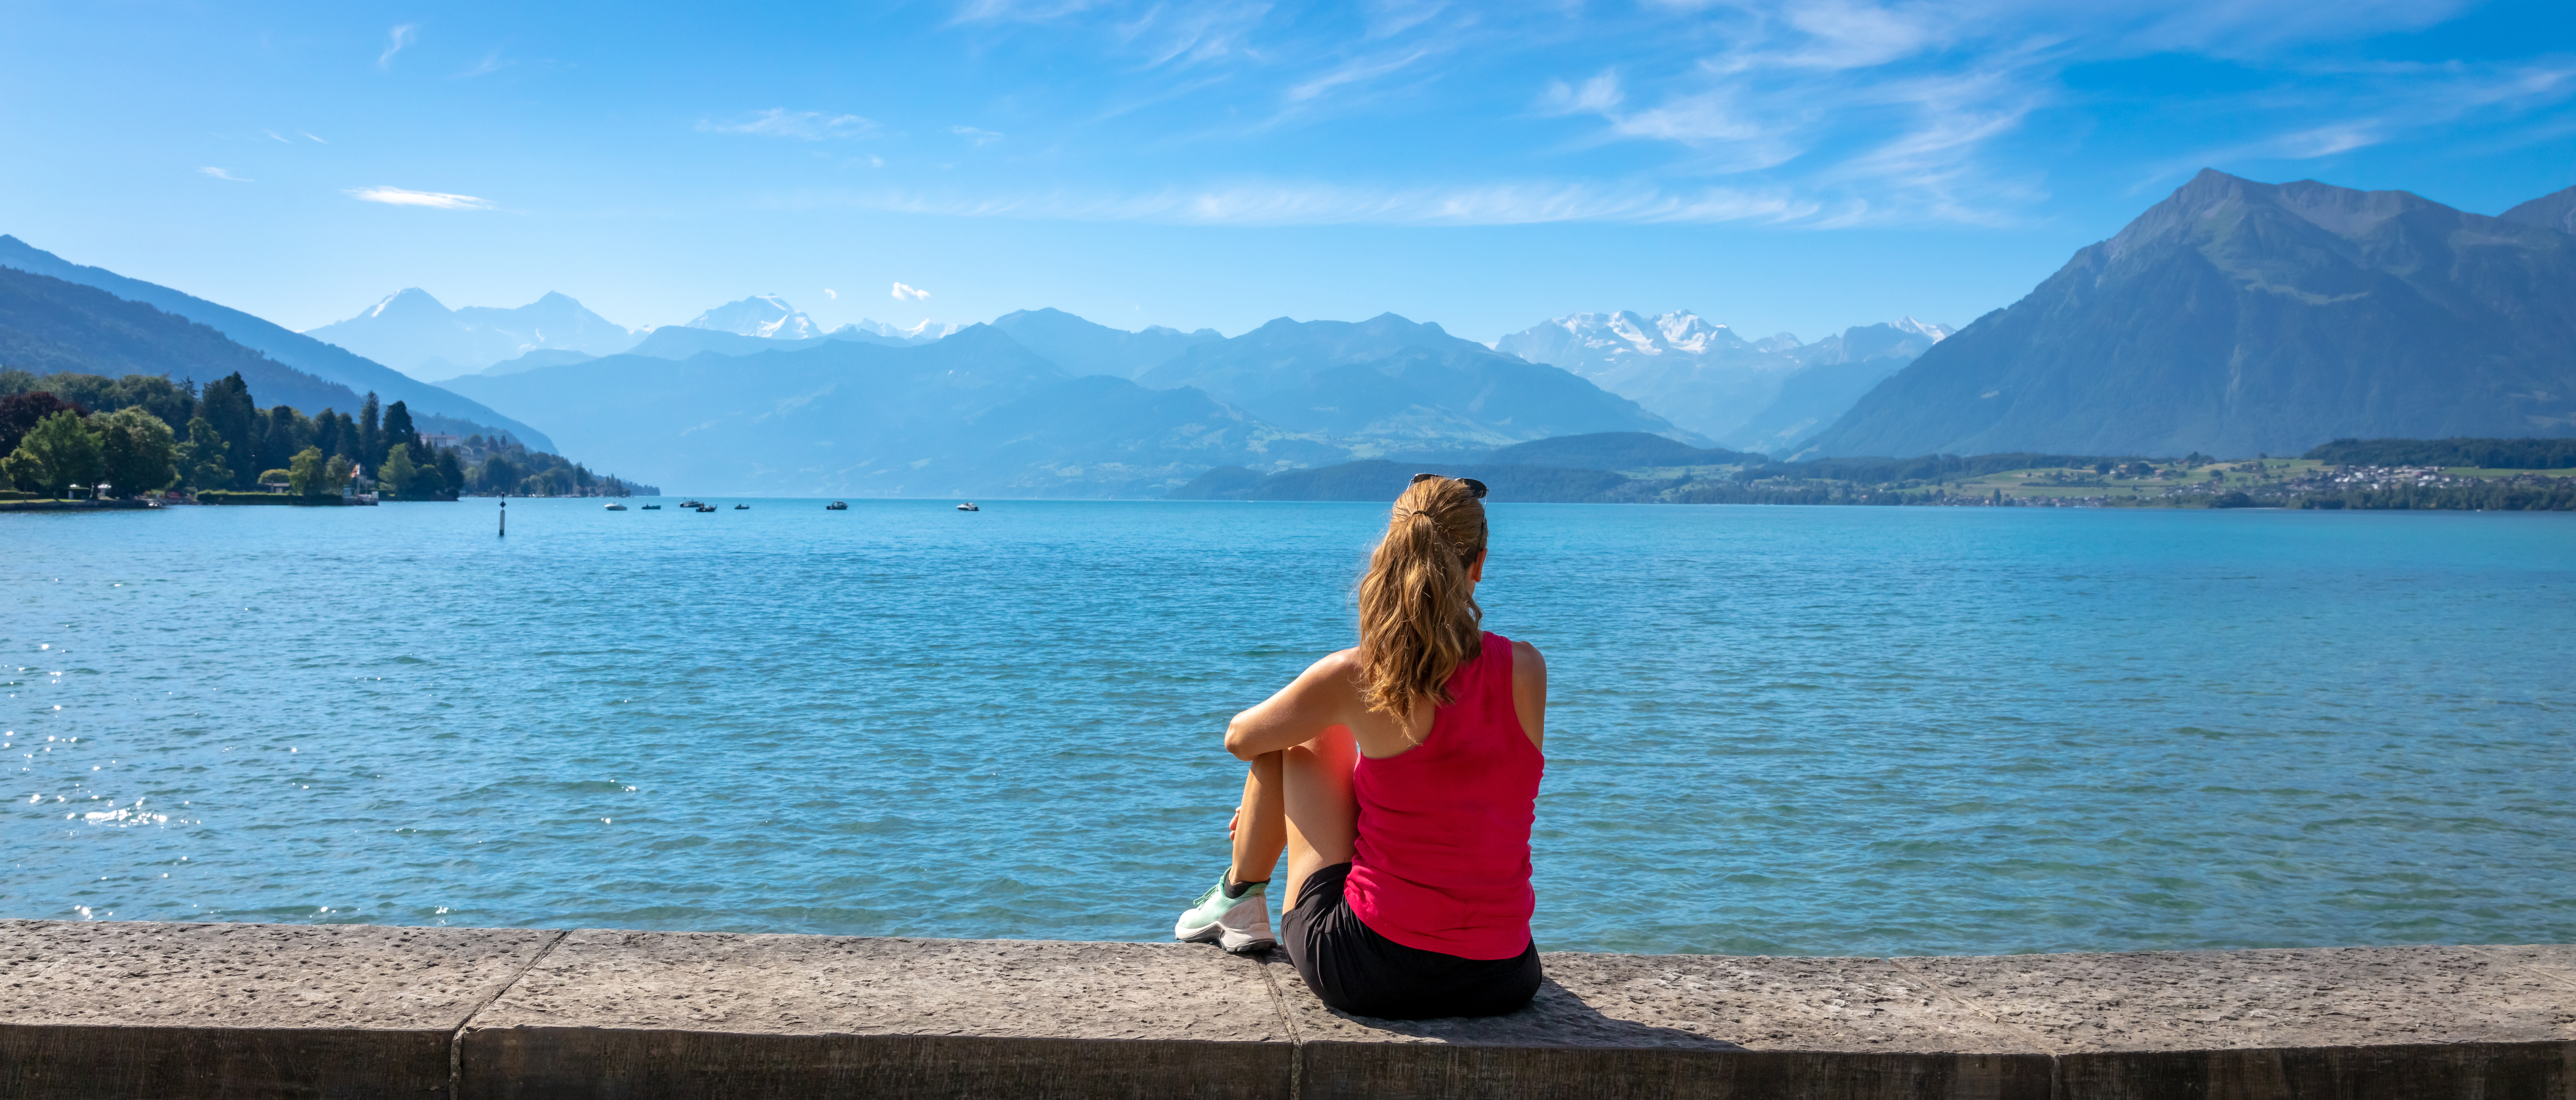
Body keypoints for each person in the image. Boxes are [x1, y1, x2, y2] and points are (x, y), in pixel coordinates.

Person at [1173, 473, 1547, 1019]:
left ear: (1390, 555)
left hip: (1372, 967)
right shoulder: (1527, 670)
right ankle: (1239, 897)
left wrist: (1290, 798)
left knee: (1299, 735)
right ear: (1479, 564)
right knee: (1345, 736)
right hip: (1506, 973)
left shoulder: (1356, 675)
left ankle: (1239, 896)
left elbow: (1240, 738)